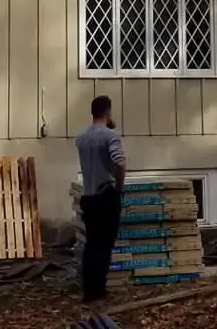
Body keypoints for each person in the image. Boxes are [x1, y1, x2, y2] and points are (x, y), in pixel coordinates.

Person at [75, 95, 126, 304]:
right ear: (108, 112)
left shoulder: (81, 137)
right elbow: (119, 162)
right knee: (104, 245)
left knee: (91, 243)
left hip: (88, 196)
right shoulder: (110, 136)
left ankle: (89, 290)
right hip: (106, 194)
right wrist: (120, 186)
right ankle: (99, 290)